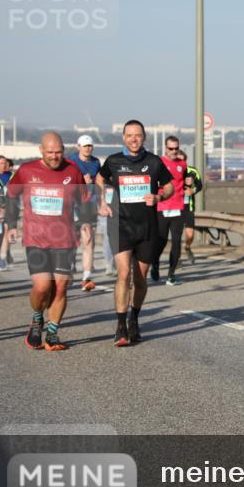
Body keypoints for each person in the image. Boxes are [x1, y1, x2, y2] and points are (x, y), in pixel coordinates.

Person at [3, 132, 86, 349]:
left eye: (58, 152)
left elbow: (85, 200)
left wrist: (86, 222)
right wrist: (11, 225)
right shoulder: (26, 170)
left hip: (65, 239)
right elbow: (11, 196)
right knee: (42, 287)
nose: (55, 156)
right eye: (50, 152)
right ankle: (37, 317)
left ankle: (52, 333)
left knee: (60, 286)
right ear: (41, 150)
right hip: (36, 238)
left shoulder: (73, 171)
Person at [97, 119, 174, 346]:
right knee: (123, 274)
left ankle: (134, 319)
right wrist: (103, 198)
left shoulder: (153, 162)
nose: (133, 139)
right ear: (123, 137)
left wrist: (160, 196)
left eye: (138, 135)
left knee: (140, 279)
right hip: (120, 225)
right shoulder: (113, 161)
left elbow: (169, 186)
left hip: (146, 227)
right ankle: (120, 326)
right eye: (129, 135)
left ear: (144, 137)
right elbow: (99, 179)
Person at [151, 136, 187, 285]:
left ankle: (171, 274)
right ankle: (155, 263)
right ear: (165, 148)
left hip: (178, 207)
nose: (173, 151)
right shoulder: (158, 163)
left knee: (177, 242)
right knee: (162, 240)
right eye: (170, 148)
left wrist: (190, 185)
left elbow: (184, 181)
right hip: (162, 207)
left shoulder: (182, 164)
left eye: (176, 148)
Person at [67, 134, 101, 290]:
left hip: (88, 205)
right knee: (72, 241)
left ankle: (86, 276)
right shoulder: (71, 162)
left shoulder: (96, 162)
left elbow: (99, 183)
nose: (88, 148)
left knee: (88, 240)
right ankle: (70, 267)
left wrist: (101, 202)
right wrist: (81, 181)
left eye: (90, 146)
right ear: (78, 146)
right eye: (85, 146)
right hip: (72, 205)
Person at [178, 150, 204, 265]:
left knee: (190, 235)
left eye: (182, 160)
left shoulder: (192, 171)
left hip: (189, 207)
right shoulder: (171, 172)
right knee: (176, 235)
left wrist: (192, 190)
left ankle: (187, 247)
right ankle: (176, 258)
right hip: (175, 207)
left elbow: (200, 185)